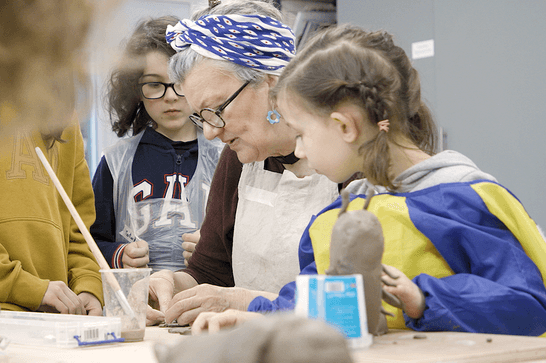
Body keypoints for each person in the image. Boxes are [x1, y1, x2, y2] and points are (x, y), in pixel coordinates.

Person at [195, 24, 546, 337]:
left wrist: (424, 300)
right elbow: (317, 301)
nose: (298, 149)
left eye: (301, 134)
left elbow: (529, 306)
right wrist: (258, 319)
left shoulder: (461, 200)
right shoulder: (338, 217)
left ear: (345, 126)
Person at [147, 0, 347, 325]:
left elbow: (358, 298)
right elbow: (209, 270)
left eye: (217, 110)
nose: (210, 133)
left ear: (269, 83)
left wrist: (239, 300)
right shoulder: (238, 161)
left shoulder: (346, 159)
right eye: (200, 118)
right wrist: (168, 286)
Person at [90, 16, 224, 273]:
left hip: (207, 307)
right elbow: (88, 242)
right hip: (138, 305)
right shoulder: (115, 163)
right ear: (136, 90)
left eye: (179, 83)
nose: (171, 96)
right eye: (154, 84)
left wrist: (216, 253)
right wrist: (118, 255)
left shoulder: (228, 157)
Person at [0, 0, 103, 315]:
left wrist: (88, 286)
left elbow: (78, 226)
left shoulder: (63, 115)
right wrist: (30, 287)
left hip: (56, 317)